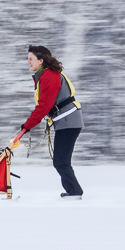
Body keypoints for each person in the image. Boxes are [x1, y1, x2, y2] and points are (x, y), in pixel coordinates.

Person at [21, 45, 85, 200]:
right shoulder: (45, 75)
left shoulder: (49, 76)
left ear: (41, 60)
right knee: (61, 161)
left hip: (68, 121)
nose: (28, 62)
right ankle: (73, 192)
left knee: (61, 161)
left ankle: (75, 193)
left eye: (31, 59)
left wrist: (27, 125)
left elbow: (44, 106)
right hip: (66, 121)